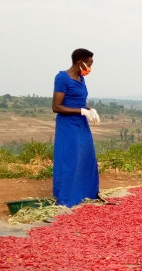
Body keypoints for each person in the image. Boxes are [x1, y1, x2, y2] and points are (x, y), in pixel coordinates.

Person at [52, 48, 101, 207]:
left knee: (86, 157)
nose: (90, 67)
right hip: (68, 125)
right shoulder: (62, 78)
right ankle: (66, 197)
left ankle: (86, 193)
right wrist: (81, 111)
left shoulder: (81, 78)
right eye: (89, 63)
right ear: (80, 62)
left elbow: (77, 101)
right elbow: (56, 106)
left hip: (81, 123)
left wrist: (88, 109)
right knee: (70, 158)